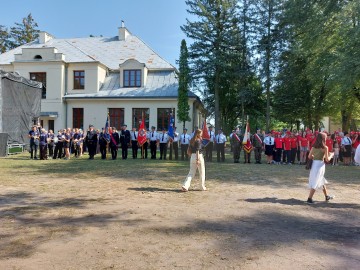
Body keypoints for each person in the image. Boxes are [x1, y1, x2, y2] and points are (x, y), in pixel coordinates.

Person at [306, 132, 334, 204]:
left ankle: (326, 196)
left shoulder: (313, 147)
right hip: (320, 165)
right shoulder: (325, 147)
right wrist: (331, 155)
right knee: (317, 180)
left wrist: (315, 156)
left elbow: (309, 156)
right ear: (323, 139)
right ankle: (309, 198)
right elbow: (327, 160)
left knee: (320, 179)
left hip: (314, 164)